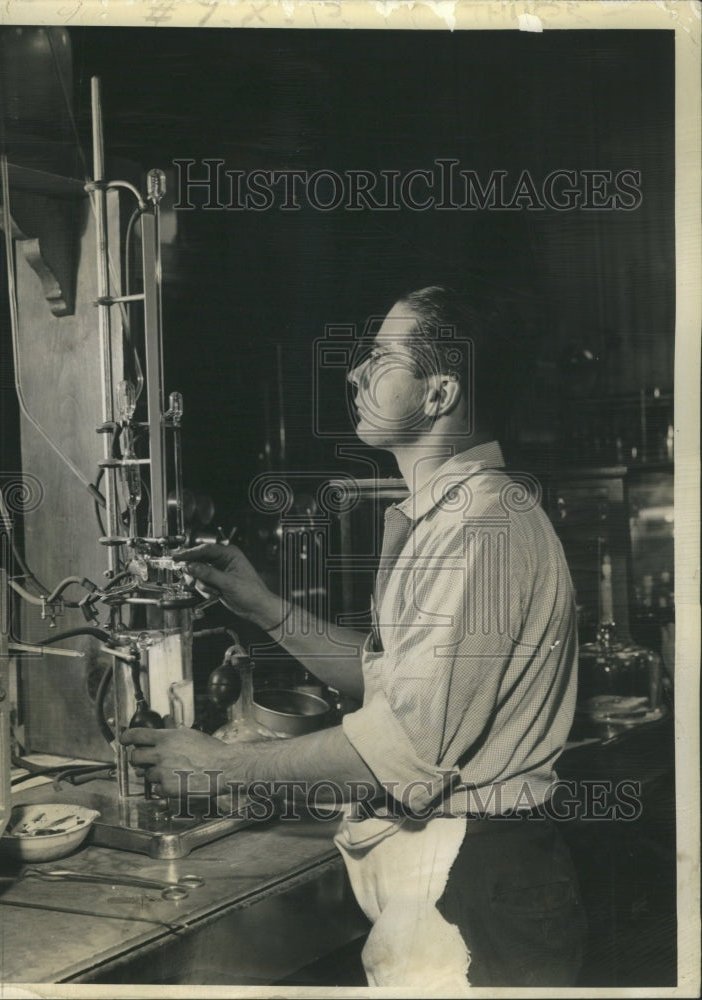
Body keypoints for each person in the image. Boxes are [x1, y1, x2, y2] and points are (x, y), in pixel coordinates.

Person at [121, 285, 587, 988]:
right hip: (455, 876)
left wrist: (220, 770)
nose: (354, 375)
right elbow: (393, 681)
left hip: (473, 880)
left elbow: (406, 747)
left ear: (438, 394)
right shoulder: (457, 516)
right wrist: (265, 609)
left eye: (379, 358)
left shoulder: (482, 528)